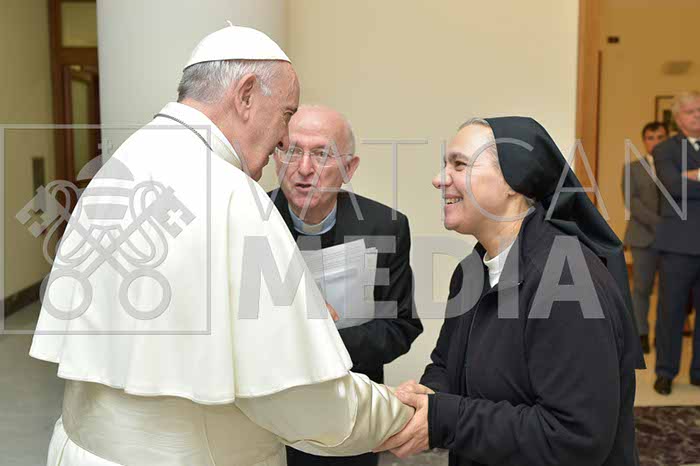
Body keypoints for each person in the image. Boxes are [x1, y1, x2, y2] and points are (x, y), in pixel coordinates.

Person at [29, 26, 412, 466]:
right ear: (246, 95)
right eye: (286, 114)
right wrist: (400, 415)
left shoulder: (121, 166)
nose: (284, 140)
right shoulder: (232, 196)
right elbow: (299, 399)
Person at [375, 117, 643, 466]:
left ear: (513, 183)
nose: (439, 179)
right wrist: (428, 398)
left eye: (459, 164)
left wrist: (444, 418)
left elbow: (573, 437)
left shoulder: (566, 280)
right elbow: (447, 365)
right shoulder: (471, 272)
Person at [269, 105, 423, 466]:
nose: (303, 167)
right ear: (276, 157)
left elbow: (400, 327)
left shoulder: (384, 227)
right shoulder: (248, 218)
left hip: (345, 420)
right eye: (292, 150)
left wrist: (322, 337)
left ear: (348, 169)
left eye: (321, 155)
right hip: (266, 417)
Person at [652, 90, 700, 395]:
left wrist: (693, 177)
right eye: (691, 111)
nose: (698, 116)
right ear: (678, 118)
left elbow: (685, 185)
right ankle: (665, 372)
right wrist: (685, 180)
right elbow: (673, 186)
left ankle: (698, 372)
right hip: (677, 245)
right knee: (671, 312)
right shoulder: (665, 149)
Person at [622, 121, 667, 353]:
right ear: (644, 141)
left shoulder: (678, 168)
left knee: (670, 291)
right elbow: (632, 202)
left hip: (674, 241)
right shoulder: (632, 168)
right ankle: (641, 333)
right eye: (651, 138)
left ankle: (664, 335)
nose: (655, 142)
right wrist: (661, 224)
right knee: (642, 288)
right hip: (643, 237)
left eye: (660, 137)